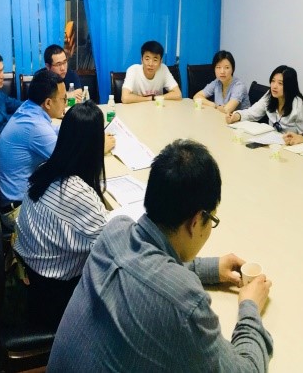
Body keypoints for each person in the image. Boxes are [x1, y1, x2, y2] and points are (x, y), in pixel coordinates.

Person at [49, 139, 273, 371]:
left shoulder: (114, 232)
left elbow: (147, 269)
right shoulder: (186, 304)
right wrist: (250, 308)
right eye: (212, 220)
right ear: (196, 221)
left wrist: (211, 269)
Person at [12, 102, 110, 330]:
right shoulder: (78, 194)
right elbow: (112, 249)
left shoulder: (45, 170)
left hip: (34, 280)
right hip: (57, 299)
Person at [0, 70, 114, 212]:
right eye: (64, 99)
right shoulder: (35, 127)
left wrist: (84, 130)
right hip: (17, 208)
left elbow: (55, 131)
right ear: (48, 103)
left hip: (19, 194)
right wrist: (99, 147)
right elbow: (70, 164)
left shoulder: (29, 108)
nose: (66, 103)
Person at [225, 65, 303, 134]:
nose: (274, 86)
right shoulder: (269, 95)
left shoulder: (298, 106)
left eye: (280, 83)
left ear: (290, 86)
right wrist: (237, 116)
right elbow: (252, 112)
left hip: (290, 146)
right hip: (271, 142)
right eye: (273, 81)